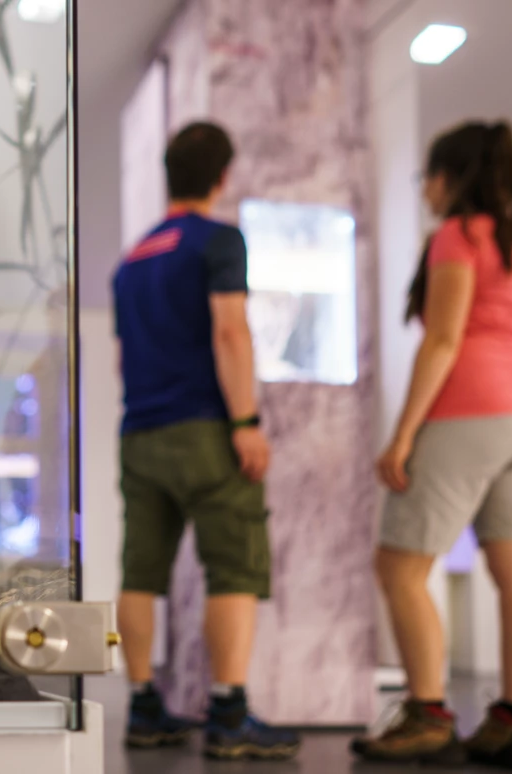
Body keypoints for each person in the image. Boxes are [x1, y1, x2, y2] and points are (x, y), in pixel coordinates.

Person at [352, 120, 512, 771]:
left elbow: (442, 341)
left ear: (448, 176)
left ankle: (428, 715)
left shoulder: (456, 236)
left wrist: (404, 434)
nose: (425, 193)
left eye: (426, 180)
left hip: (469, 410)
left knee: (399, 566)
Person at [112, 121, 300, 761]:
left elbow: (122, 357)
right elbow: (231, 333)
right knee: (233, 567)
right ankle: (228, 715)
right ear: (222, 176)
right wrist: (245, 422)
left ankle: (142, 706)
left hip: (139, 432)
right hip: (203, 430)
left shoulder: (130, 262)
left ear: (168, 176)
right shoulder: (219, 241)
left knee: (141, 571)